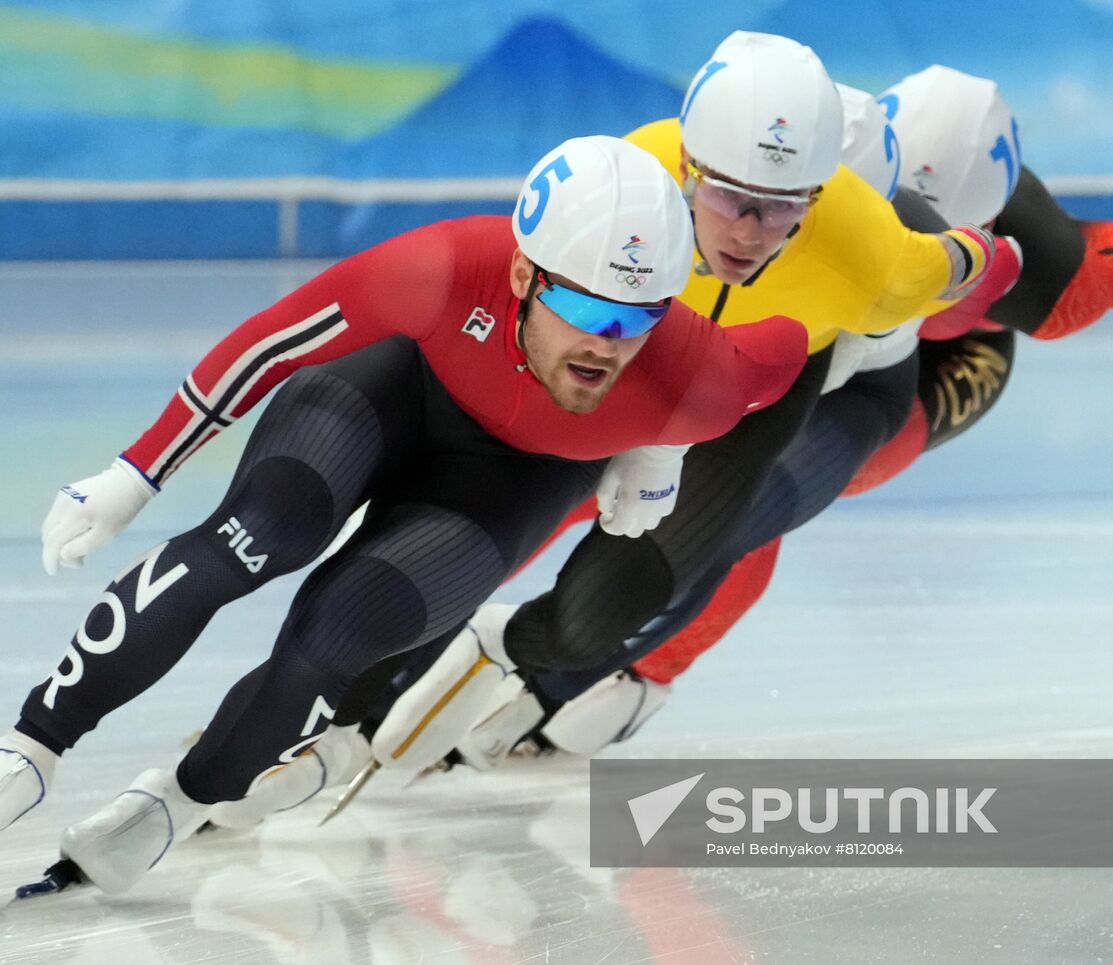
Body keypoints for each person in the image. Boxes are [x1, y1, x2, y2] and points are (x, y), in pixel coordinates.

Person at [0, 134, 819, 896]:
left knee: (336, 635)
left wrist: (664, 443)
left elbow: (787, 346)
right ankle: (23, 751)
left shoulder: (695, 378)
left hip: (510, 482)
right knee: (255, 534)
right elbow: (264, 345)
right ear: (521, 273)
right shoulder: (444, 266)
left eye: (637, 318)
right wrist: (136, 471)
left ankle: (177, 803)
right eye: (582, 306)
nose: (605, 344)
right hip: (389, 391)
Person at [202, 34, 1017, 824]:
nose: (746, 233)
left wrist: (994, 259)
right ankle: (292, 717)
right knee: (477, 523)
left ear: (825, 202)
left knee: (612, 603)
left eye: (784, 214)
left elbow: (987, 264)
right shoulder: (637, 171)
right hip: (646, 352)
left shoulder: (877, 256)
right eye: (729, 198)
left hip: (770, 386)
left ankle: (513, 652)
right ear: (690, 167)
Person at [410, 64, 1113, 773]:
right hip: (812, 335)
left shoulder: (1023, 274)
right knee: (595, 467)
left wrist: (1066, 237)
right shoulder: (819, 168)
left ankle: (622, 670)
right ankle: (462, 641)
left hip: (902, 379)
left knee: (738, 517)